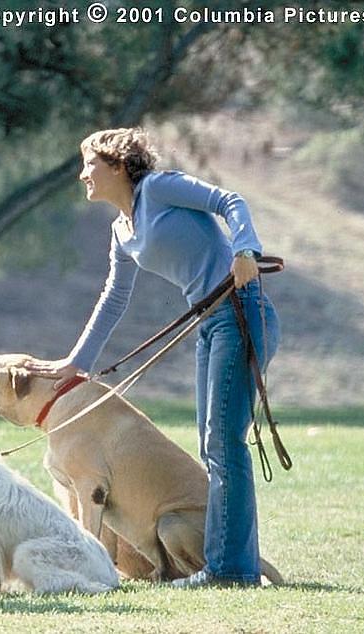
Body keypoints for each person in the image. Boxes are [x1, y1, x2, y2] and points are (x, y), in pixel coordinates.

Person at [26, 128, 280, 588]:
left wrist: (245, 249)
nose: (83, 174)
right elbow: (113, 299)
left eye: (90, 164)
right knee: (214, 446)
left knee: (224, 446)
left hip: (242, 313)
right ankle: (231, 567)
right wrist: (76, 362)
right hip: (210, 323)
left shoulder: (159, 189)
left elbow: (230, 201)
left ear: (119, 166)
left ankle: (228, 571)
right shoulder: (121, 231)